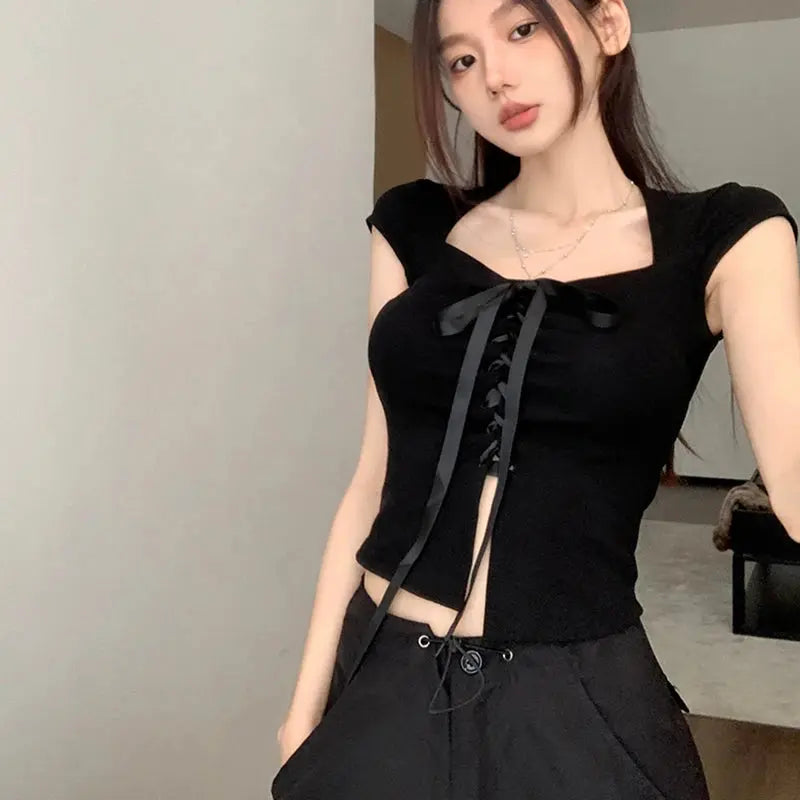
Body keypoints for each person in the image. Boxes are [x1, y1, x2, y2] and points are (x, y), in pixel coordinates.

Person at [271, 1, 800, 798]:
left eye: (522, 29)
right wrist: (302, 713)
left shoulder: (726, 235)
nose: (495, 77)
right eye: (461, 60)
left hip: (577, 705)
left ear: (608, 25)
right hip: (379, 680)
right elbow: (371, 483)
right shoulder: (414, 226)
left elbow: (793, 473)